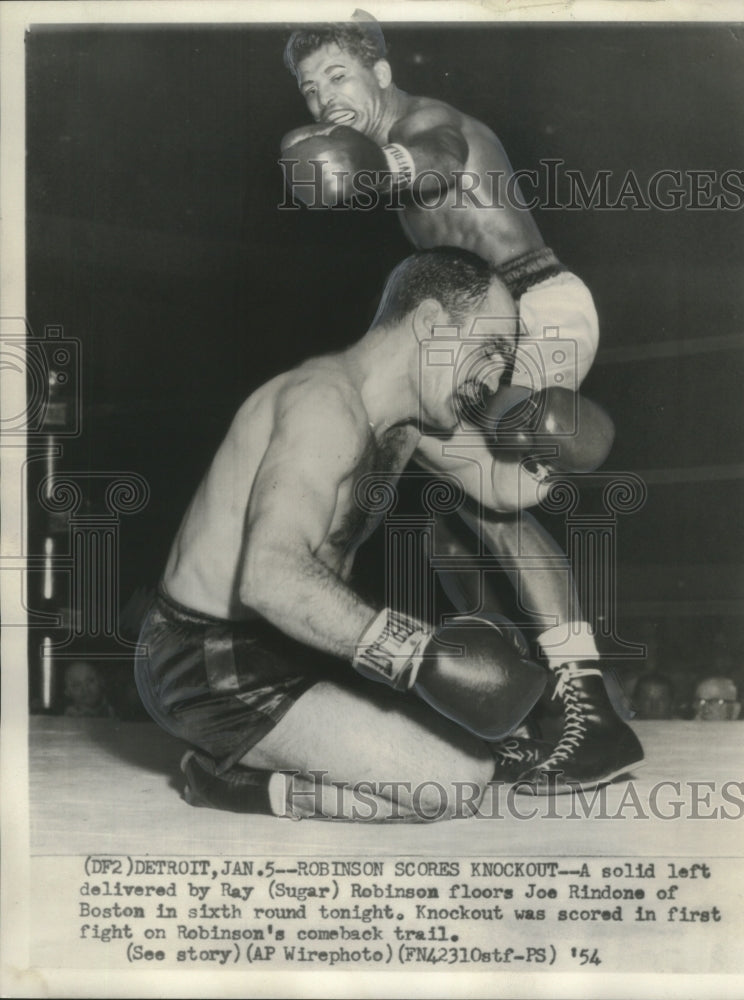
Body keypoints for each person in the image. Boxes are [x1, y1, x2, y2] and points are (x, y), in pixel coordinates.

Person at [279, 13, 643, 791]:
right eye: (310, 90)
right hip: (472, 331)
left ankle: (592, 712)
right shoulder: (380, 142)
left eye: (337, 77)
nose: (322, 100)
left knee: (474, 480)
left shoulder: (427, 120)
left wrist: (368, 163)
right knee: (453, 527)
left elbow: (437, 165)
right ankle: (538, 702)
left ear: (378, 72)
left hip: (536, 301)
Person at [135, 248, 619, 821]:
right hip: (208, 662)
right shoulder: (322, 405)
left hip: (298, 642)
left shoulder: (406, 423)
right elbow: (268, 578)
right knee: (453, 783)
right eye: (491, 350)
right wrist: (413, 653)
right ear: (430, 323)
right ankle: (227, 782)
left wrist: (550, 442)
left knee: (490, 745)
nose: (496, 377)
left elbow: (502, 491)